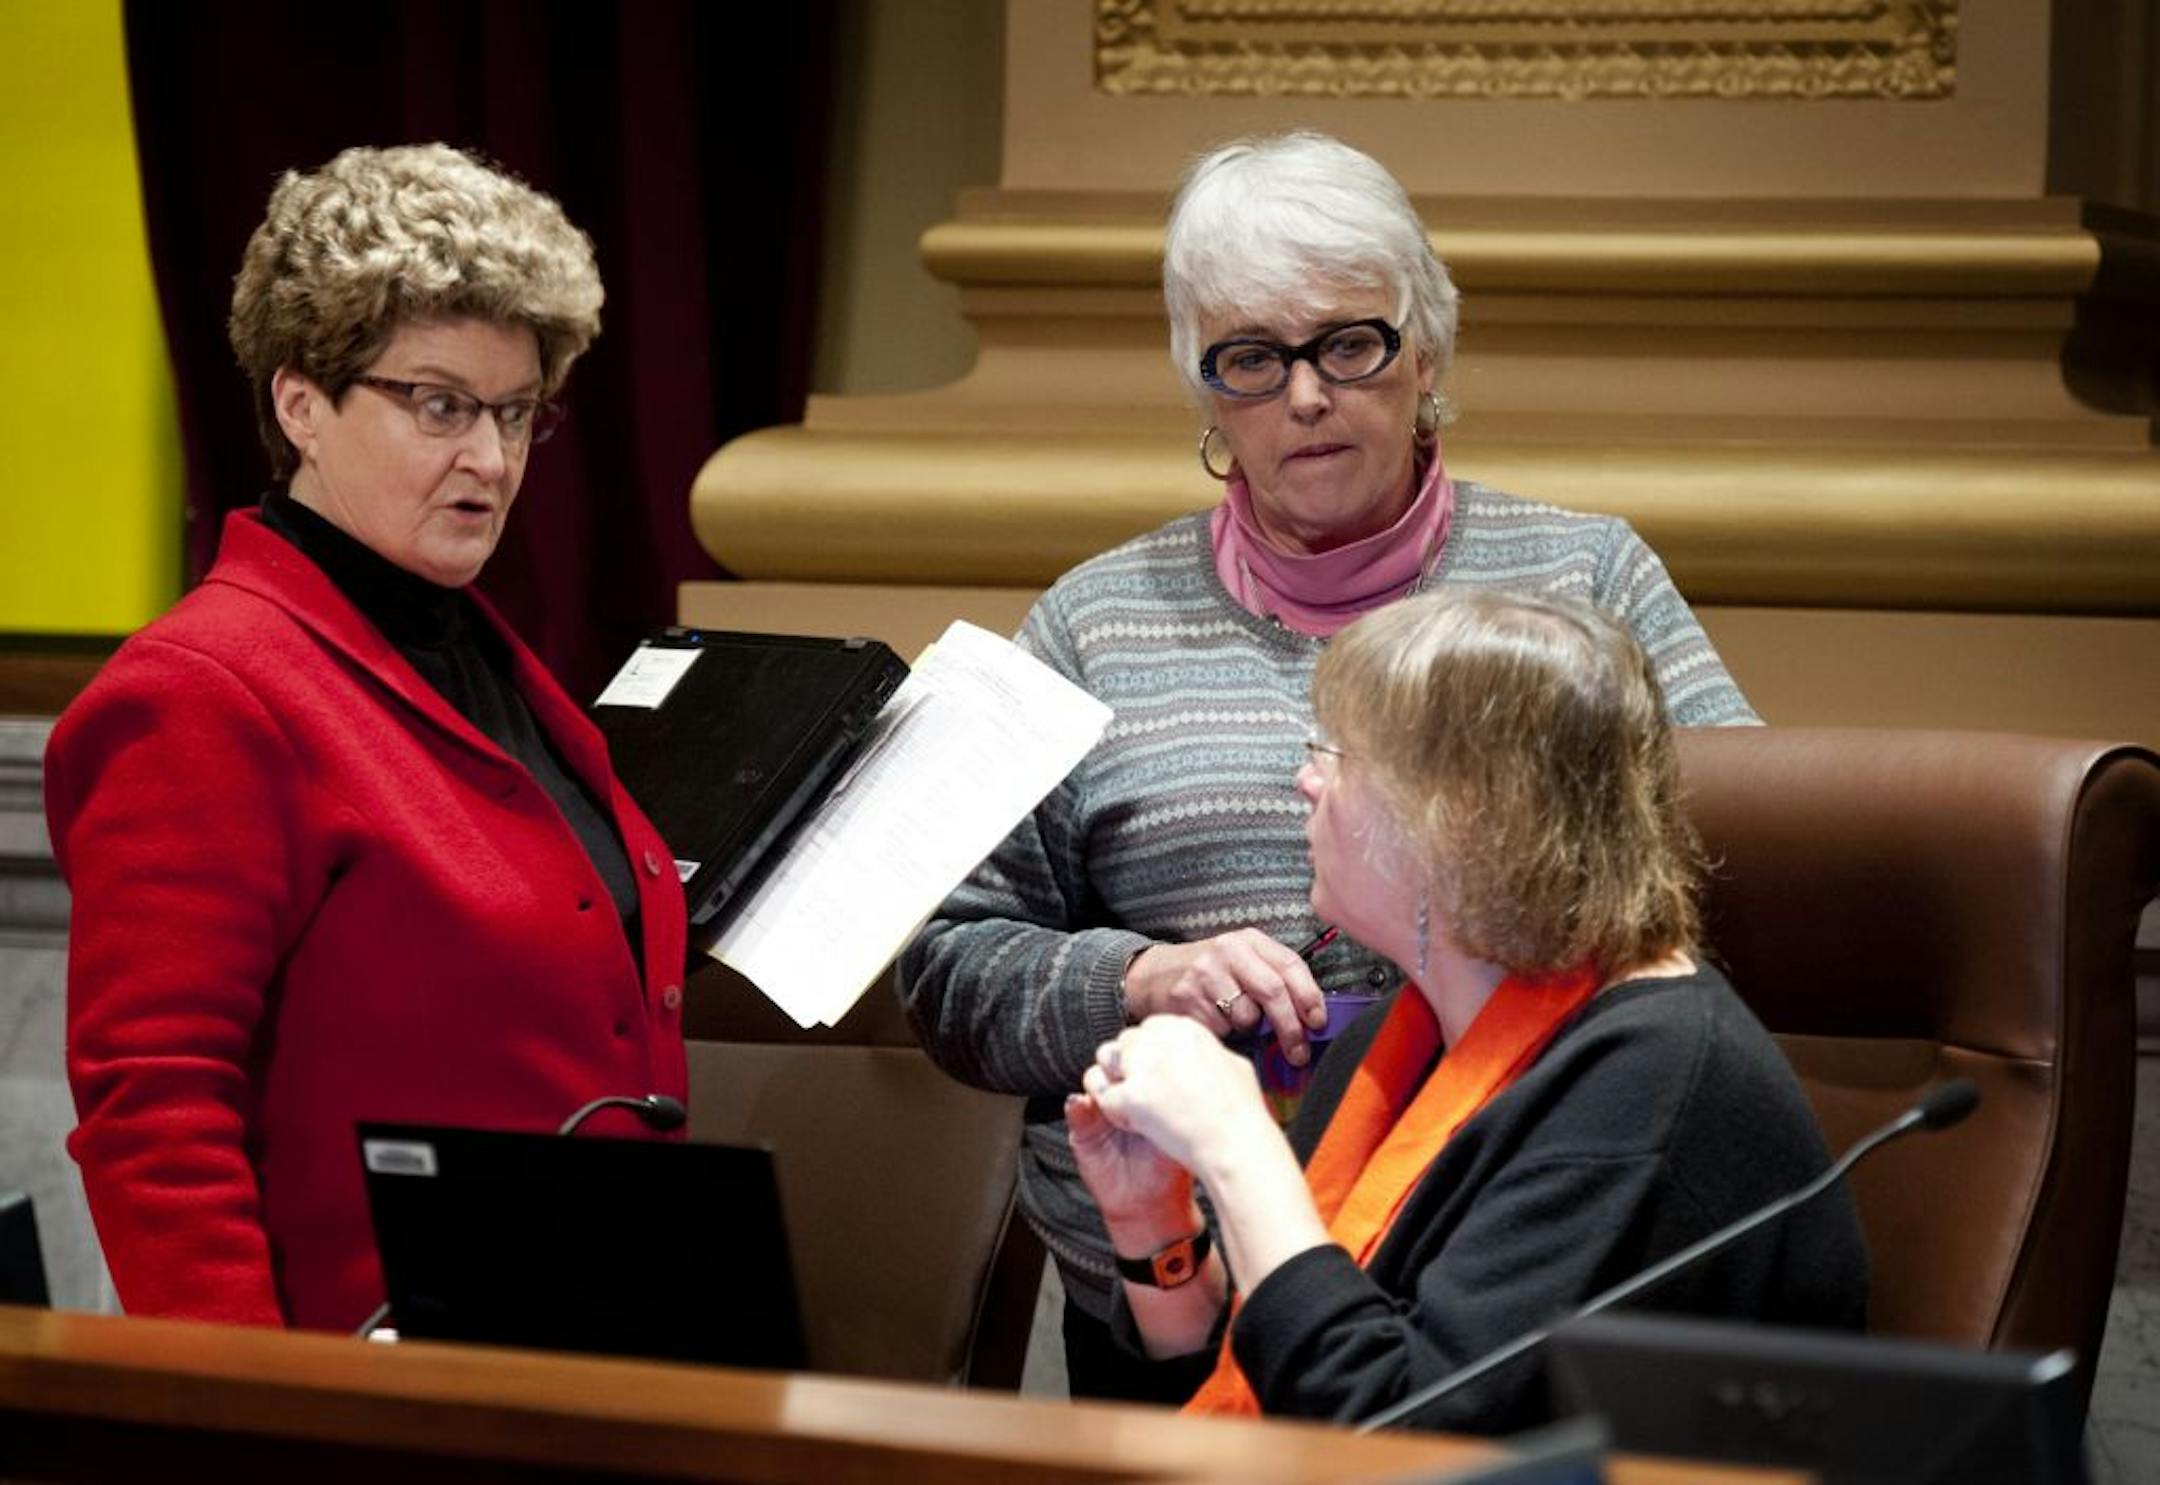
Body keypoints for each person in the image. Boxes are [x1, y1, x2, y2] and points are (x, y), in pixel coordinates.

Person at [898, 130, 1758, 1399]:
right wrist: (1140, 979)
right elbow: (948, 968)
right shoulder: (1092, 622)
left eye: (1350, 344)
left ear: (1427, 355)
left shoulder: (1584, 581)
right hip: (1170, 1286)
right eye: (1252, 359)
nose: (1305, 396)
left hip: (1499, 1257)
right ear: (1205, 392)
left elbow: (1721, 875)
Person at [45, 144, 689, 1331]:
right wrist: (253, 1408)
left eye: (514, 413)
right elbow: (156, 1113)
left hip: (577, 1352)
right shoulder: (201, 691)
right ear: (302, 404)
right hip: (361, 1383)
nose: (489, 460)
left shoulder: (478, 655)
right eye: (439, 406)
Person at [1067, 589, 1867, 1430]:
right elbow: (1260, 1374)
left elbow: (1408, 1435)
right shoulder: (1404, 1036)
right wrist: (1154, 1224)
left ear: (1457, 817)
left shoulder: (1653, 1080)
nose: (1308, 781)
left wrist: (1237, 1145)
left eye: (1337, 755)